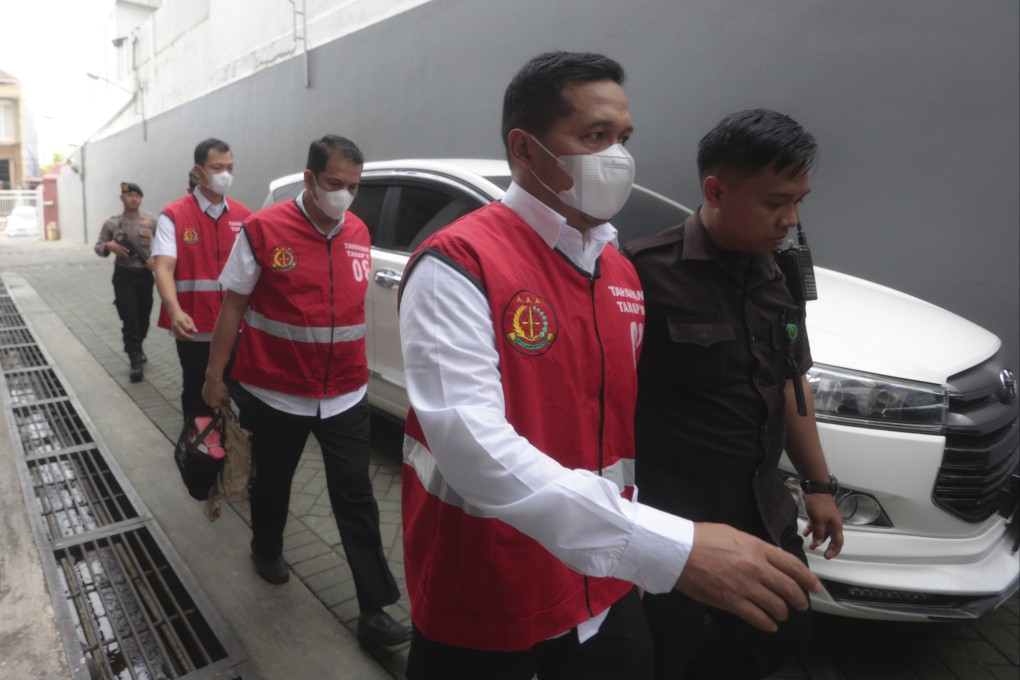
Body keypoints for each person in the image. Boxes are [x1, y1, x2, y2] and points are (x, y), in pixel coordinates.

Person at [398, 52, 822, 680]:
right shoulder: (459, 261)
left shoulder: (617, 270)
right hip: (493, 583)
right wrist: (666, 550)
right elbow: (471, 449)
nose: (617, 156)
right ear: (527, 149)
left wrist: (636, 558)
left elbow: (617, 430)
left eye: (623, 138)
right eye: (595, 136)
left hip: (604, 583)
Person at [623, 109, 844, 680]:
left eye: (800, 201)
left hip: (761, 510)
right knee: (661, 654)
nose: (790, 219)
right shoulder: (639, 273)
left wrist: (819, 486)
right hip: (676, 524)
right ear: (716, 190)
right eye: (775, 202)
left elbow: (791, 384)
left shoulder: (782, 277)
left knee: (785, 630)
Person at [201, 135, 410, 647]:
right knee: (273, 483)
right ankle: (267, 547)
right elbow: (233, 308)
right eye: (335, 183)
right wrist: (213, 376)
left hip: (344, 393)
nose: (344, 195)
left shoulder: (358, 230)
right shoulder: (263, 230)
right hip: (276, 392)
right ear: (310, 179)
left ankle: (374, 608)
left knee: (356, 496)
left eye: (353, 187)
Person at [153, 139, 252, 420]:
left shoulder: (244, 216)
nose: (225, 174)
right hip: (195, 326)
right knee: (198, 396)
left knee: (240, 395)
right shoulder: (175, 215)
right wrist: (175, 311)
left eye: (230, 168)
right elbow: (163, 268)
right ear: (199, 171)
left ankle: (235, 455)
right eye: (217, 167)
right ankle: (199, 456)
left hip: (238, 327)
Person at [94, 182, 156, 383]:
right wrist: (109, 246)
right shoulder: (112, 224)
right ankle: (134, 360)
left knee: (143, 318)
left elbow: (165, 243)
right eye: (129, 195)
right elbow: (98, 246)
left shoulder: (151, 221)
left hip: (145, 277)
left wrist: (157, 260)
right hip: (123, 277)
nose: (133, 199)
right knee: (130, 319)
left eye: (137, 196)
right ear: (122, 198)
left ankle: (138, 346)